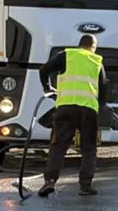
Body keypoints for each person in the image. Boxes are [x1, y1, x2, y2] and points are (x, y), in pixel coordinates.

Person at [37, 34, 108, 197]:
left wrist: (47, 87)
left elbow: (44, 70)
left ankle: (50, 182)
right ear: (93, 46)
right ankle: (85, 186)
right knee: (89, 148)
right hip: (88, 110)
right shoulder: (97, 61)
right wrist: (102, 104)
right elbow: (103, 86)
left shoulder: (66, 55)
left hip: (65, 108)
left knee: (59, 146)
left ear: (79, 45)